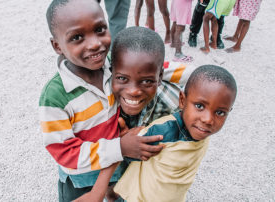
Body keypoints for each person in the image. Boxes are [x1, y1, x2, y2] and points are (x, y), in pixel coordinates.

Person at [40, 1, 164, 201]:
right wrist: (121, 147)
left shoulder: (111, 64)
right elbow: (64, 152)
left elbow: (154, 67)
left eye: (100, 29)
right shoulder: (55, 96)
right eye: (77, 37)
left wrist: (198, 79)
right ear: (57, 46)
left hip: (116, 165)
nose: (95, 43)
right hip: (81, 178)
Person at [74, 26, 199, 201]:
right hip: (111, 158)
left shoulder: (172, 103)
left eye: (147, 81)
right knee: (113, 186)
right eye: (122, 78)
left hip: (147, 170)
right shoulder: (99, 98)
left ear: (160, 76)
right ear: (111, 72)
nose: (133, 91)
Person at [113, 65, 237, 201]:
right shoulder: (162, 132)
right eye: (200, 106)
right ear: (182, 101)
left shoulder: (201, 131)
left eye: (220, 112)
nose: (208, 120)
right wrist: (126, 141)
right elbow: (128, 153)